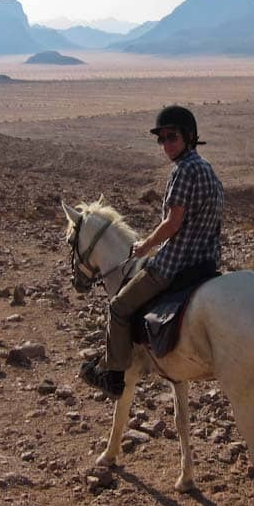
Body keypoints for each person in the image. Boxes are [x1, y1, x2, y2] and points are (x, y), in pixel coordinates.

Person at [80, 106, 224, 398]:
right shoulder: (208, 169)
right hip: (206, 262)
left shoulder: (183, 171)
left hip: (176, 264)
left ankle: (114, 375)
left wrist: (145, 246)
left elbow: (173, 222)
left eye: (172, 137)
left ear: (189, 137)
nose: (166, 144)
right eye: (162, 139)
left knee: (119, 307)